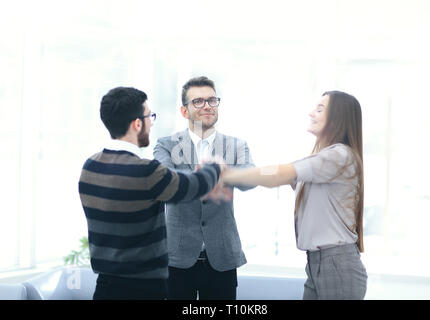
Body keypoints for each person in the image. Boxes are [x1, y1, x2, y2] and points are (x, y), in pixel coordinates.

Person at [78, 86, 226, 300]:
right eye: (150, 117)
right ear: (137, 124)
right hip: (143, 291)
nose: (151, 123)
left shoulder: (90, 165)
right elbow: (191, 186)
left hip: (105, 287)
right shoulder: (146, 172)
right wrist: (215, 166)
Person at [221, 91, 368, 300]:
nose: (311, 113)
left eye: (320, 109)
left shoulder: (339, 156)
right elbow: (275, 176)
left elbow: (278, 174)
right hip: (318, 263)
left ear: (338, 118)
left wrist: (225, 176)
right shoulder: (325, 160)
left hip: (336, 263)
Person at [153, 76, 255, 300]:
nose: (207, 105)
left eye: (212, 100)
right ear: (184, 111)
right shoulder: (166, 144)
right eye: (198, 101)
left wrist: (221, 172)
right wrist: (213, 174)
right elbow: (165, 182)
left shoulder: (236, 145)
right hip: (177, 257)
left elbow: (250, 180)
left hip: (222, 256)